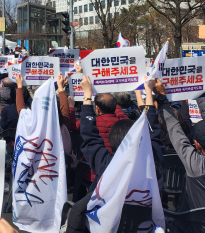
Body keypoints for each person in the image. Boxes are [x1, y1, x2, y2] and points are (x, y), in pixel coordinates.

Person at [66, 77, 164, 233]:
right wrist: (148, 94)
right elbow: (153, 133)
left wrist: (87, 95)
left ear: (111, 144)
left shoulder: (107, 165)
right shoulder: (153, 164)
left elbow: (89, 135)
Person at [160, 73, 205, 212]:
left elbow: (174, 130)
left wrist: (162, 99)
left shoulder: (198, 165)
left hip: (195, 226)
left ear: (197, 145)